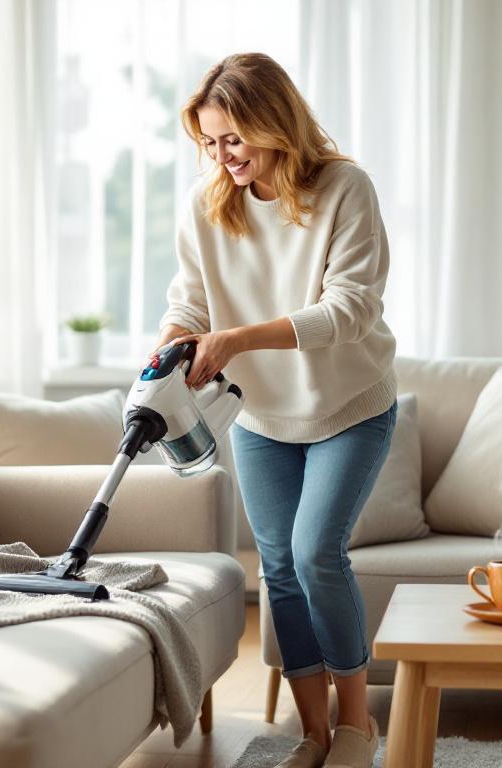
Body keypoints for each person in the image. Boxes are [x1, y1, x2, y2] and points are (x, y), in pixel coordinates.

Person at [153, 52, 397, 768]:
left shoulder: (346, 189)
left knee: (315, 550)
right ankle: (312, 732)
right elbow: (189, 300)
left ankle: (358, 725)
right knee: (277, 568)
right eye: (208, 142)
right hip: (262, 415)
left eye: (234, 139)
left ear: (273, 123)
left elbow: (349, 310)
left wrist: (234, 339)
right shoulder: (208, 207)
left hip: (350, 405)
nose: (221, 157)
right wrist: (174, 339)